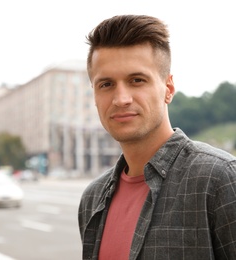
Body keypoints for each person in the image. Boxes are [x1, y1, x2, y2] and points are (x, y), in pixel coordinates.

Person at [78, 14, 236, 260]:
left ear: (168, 89)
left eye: (137, 80)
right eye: (106, 84)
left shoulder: (219, 180)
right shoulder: (92, 198)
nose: (121, 99)